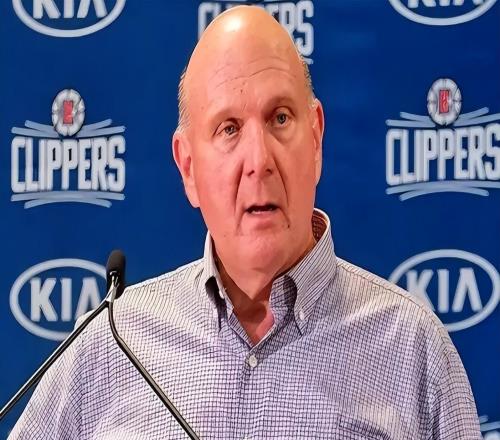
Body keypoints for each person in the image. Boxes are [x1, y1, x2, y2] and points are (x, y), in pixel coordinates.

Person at [9, 6, 481, 439]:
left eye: (280, 118)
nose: (259, 160)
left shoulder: (413, 350)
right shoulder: (110, 345)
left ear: (316, 138)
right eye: (229, 128)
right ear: (188, 167)